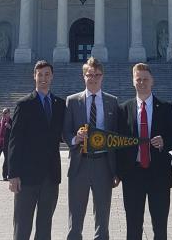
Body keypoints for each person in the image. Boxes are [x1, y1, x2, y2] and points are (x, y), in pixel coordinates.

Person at [116, 63, 172, 240]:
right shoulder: (123, 109)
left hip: (159, 173)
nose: (141, 82)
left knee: (160, 225)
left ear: (152, 81)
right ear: (133, 82)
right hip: (132, 174)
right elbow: (118, 144)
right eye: (138, 79)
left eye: (145, 79)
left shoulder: (165, 107)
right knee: (133, 225)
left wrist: (165, 141)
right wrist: (118, 172)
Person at [8, 60, 65, 240]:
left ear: (52, 77)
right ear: (34, 76)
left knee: (45, 227)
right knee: (22, 226)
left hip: (50, 176)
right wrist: (13, 174)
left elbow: (63, 134)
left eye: (47, 74)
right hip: (27, 176)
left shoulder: (59, 104)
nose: (43, 78)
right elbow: (14, 140)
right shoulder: (24, 104)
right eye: (40, 75)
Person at [63, 57, 120, 240]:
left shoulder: (112, 101)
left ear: (102, 77)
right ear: (83, 76)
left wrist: (116, 170)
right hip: (80, 163)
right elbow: (65, 130)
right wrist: (75, 138)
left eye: (97, 75)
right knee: (75, 216)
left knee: (103, 217)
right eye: (89, 75)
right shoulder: (72, 101)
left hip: (104, 164)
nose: (93, 78)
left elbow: (116, 135)